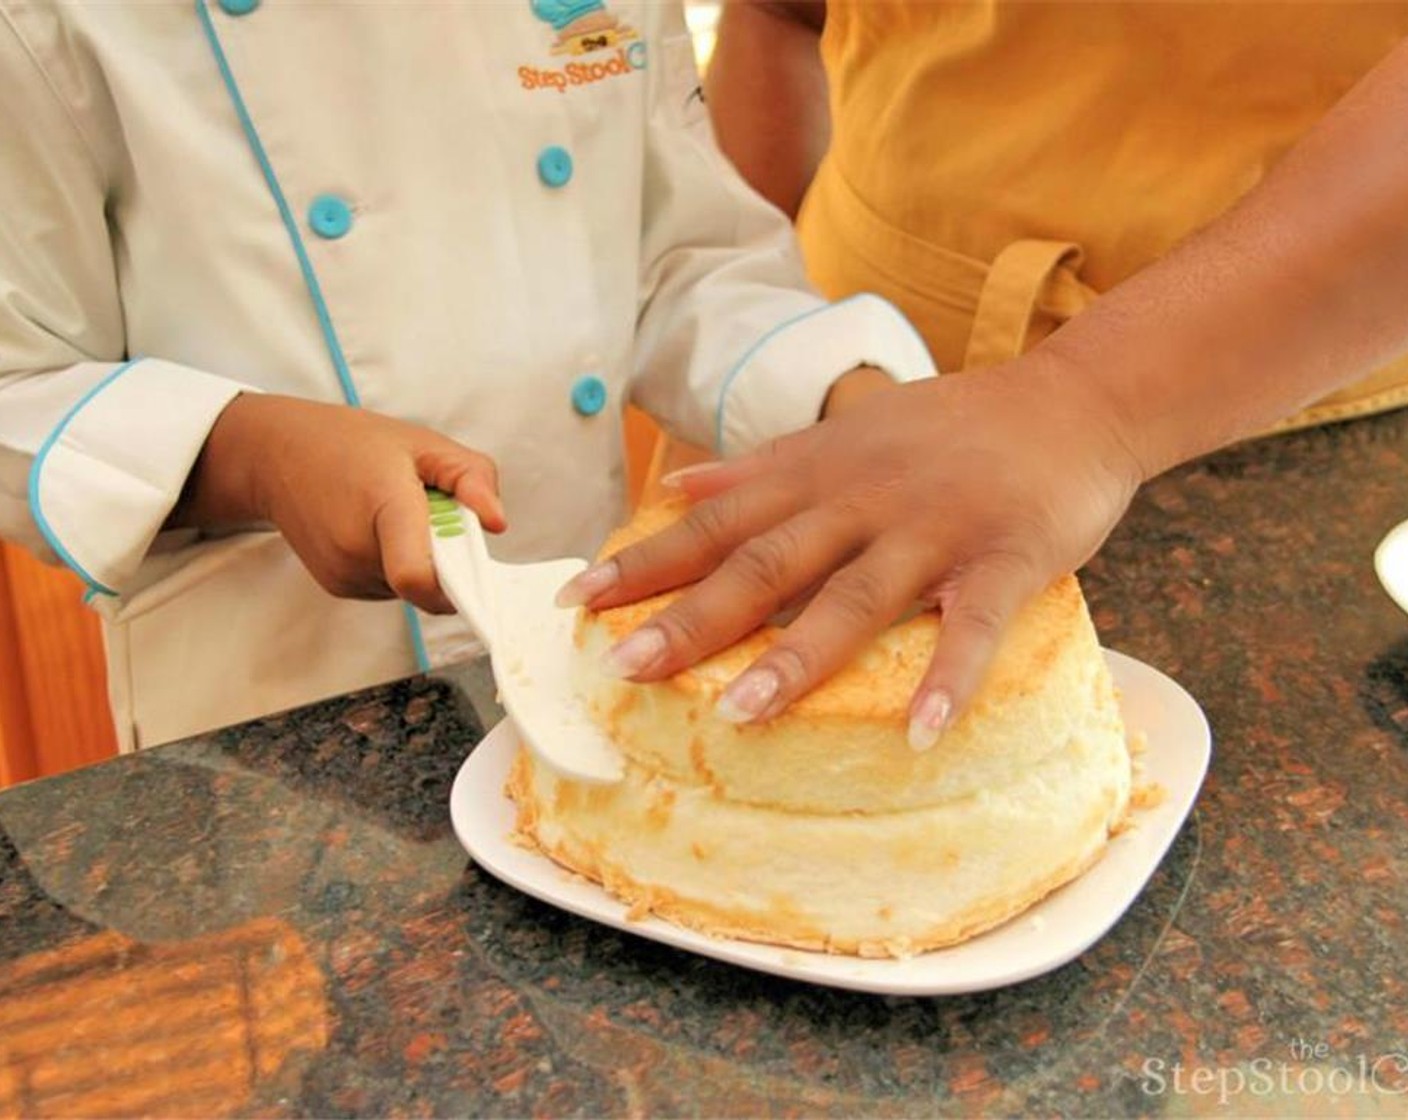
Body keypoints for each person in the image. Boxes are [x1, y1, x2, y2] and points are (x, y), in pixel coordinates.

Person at [0, 0, 935, 750]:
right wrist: (254, 453)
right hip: (275, 709)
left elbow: (675, 259)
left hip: (586, 635)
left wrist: (853, 401)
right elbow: (19, 378)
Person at [557, 1, 1408, 748]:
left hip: (1283, 407)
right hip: (838, 380)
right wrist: (743, 340)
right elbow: (783, 13)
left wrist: (1088, 402)